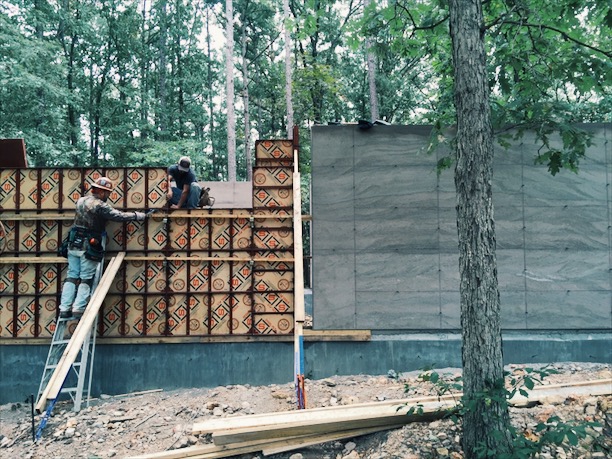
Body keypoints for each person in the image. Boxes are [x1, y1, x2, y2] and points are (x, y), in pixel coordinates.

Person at [58, 176, 147, 319]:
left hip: (73, 242)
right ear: (101, 192)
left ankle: (64, 308)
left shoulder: (81, 200)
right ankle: (78, 309)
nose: (108, 196)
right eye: (107, 193)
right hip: (88, 244)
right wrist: (137, 215)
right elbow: (118, 216)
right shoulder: (99, 205)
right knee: (86, 278)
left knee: (72, 276)